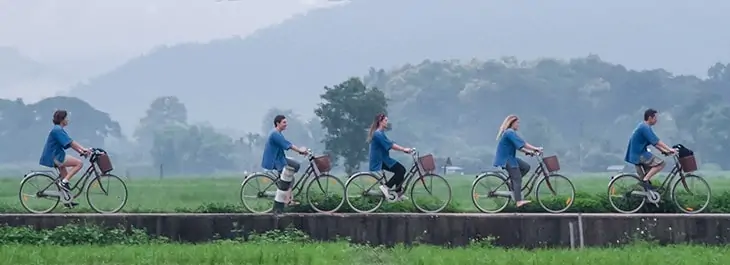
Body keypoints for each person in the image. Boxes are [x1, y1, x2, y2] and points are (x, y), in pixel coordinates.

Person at [38, 110, 90, 207]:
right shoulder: (57, 130)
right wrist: (83, 149)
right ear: (62, 119)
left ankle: (67, 200)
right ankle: (63, 182)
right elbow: (70, 142)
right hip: (55, 157)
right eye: (66, 118)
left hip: (56, 156)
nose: (68, 120)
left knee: (65, 177)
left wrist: (81, 151)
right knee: (79, 163)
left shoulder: (58, 129)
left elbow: (69, 143)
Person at [261, 114, 309, 213]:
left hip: (280, 158)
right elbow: (288, 145)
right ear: (277, 123)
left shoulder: (277, 133)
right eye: (284, 122)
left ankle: (286, 191)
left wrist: (300, 151)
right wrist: (300, 150)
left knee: (296, 165)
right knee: (290, 178)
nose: (286, 124)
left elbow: (287, 144)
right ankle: (288, 200)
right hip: (275, 160)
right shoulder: (275, 134)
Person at [493, 115, 542, 208]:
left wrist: (529, 152)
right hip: (507, 159)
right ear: (512, 123)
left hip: (511, 158)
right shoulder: (509, 132)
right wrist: (536, 149)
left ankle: (514, 186)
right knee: (517, 178)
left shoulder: (510, 133)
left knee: (526, 167)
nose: (518, 125)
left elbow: (518, 146)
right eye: (517, 123)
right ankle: (518, 201)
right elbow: (523, 144)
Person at [624, 108, 676, 191]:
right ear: (650, 118)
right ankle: (645, 181)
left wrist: (664, 151)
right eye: (655, 118)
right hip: (639, 154)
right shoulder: (645, 128)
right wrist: (670, 149)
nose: (656, 120)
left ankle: (646, 188)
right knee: (661, 164)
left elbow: (654, 143)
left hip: (636, 154)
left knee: (647, 175)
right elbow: (657, 141)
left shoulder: (643, 126)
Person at [367, 113, 413, 202]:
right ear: (380, 122)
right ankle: (386, 187)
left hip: (384, 158)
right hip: (380, 160)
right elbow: (390, 145)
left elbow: (390, 143)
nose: (387, 122)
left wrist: (404, 149)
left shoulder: (380, 133)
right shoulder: (378, 134)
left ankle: (398, 194)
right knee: (401, 170)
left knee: (400, 170)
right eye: (385, 120)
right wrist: (404, 149)